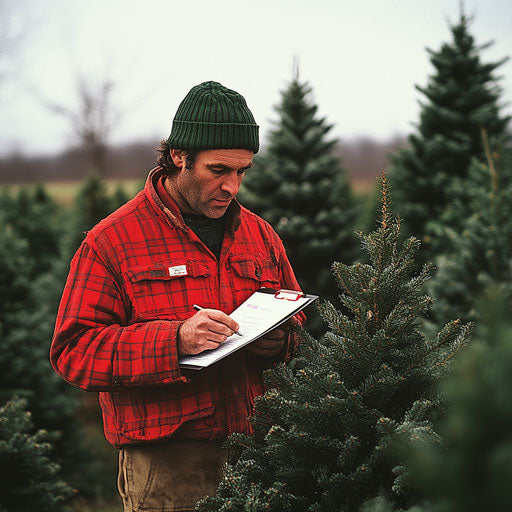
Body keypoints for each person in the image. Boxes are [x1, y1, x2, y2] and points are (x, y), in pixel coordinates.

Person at [50, 80, 305, 512]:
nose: (233, 186)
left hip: (260, 456)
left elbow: (296, 316)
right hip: (168, 467)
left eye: (243, 172)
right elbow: (73, 352)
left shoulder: (259, 235)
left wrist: (280, 341)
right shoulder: (113, 241)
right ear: (178, 157)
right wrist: (174, 342)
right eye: (219, 170)